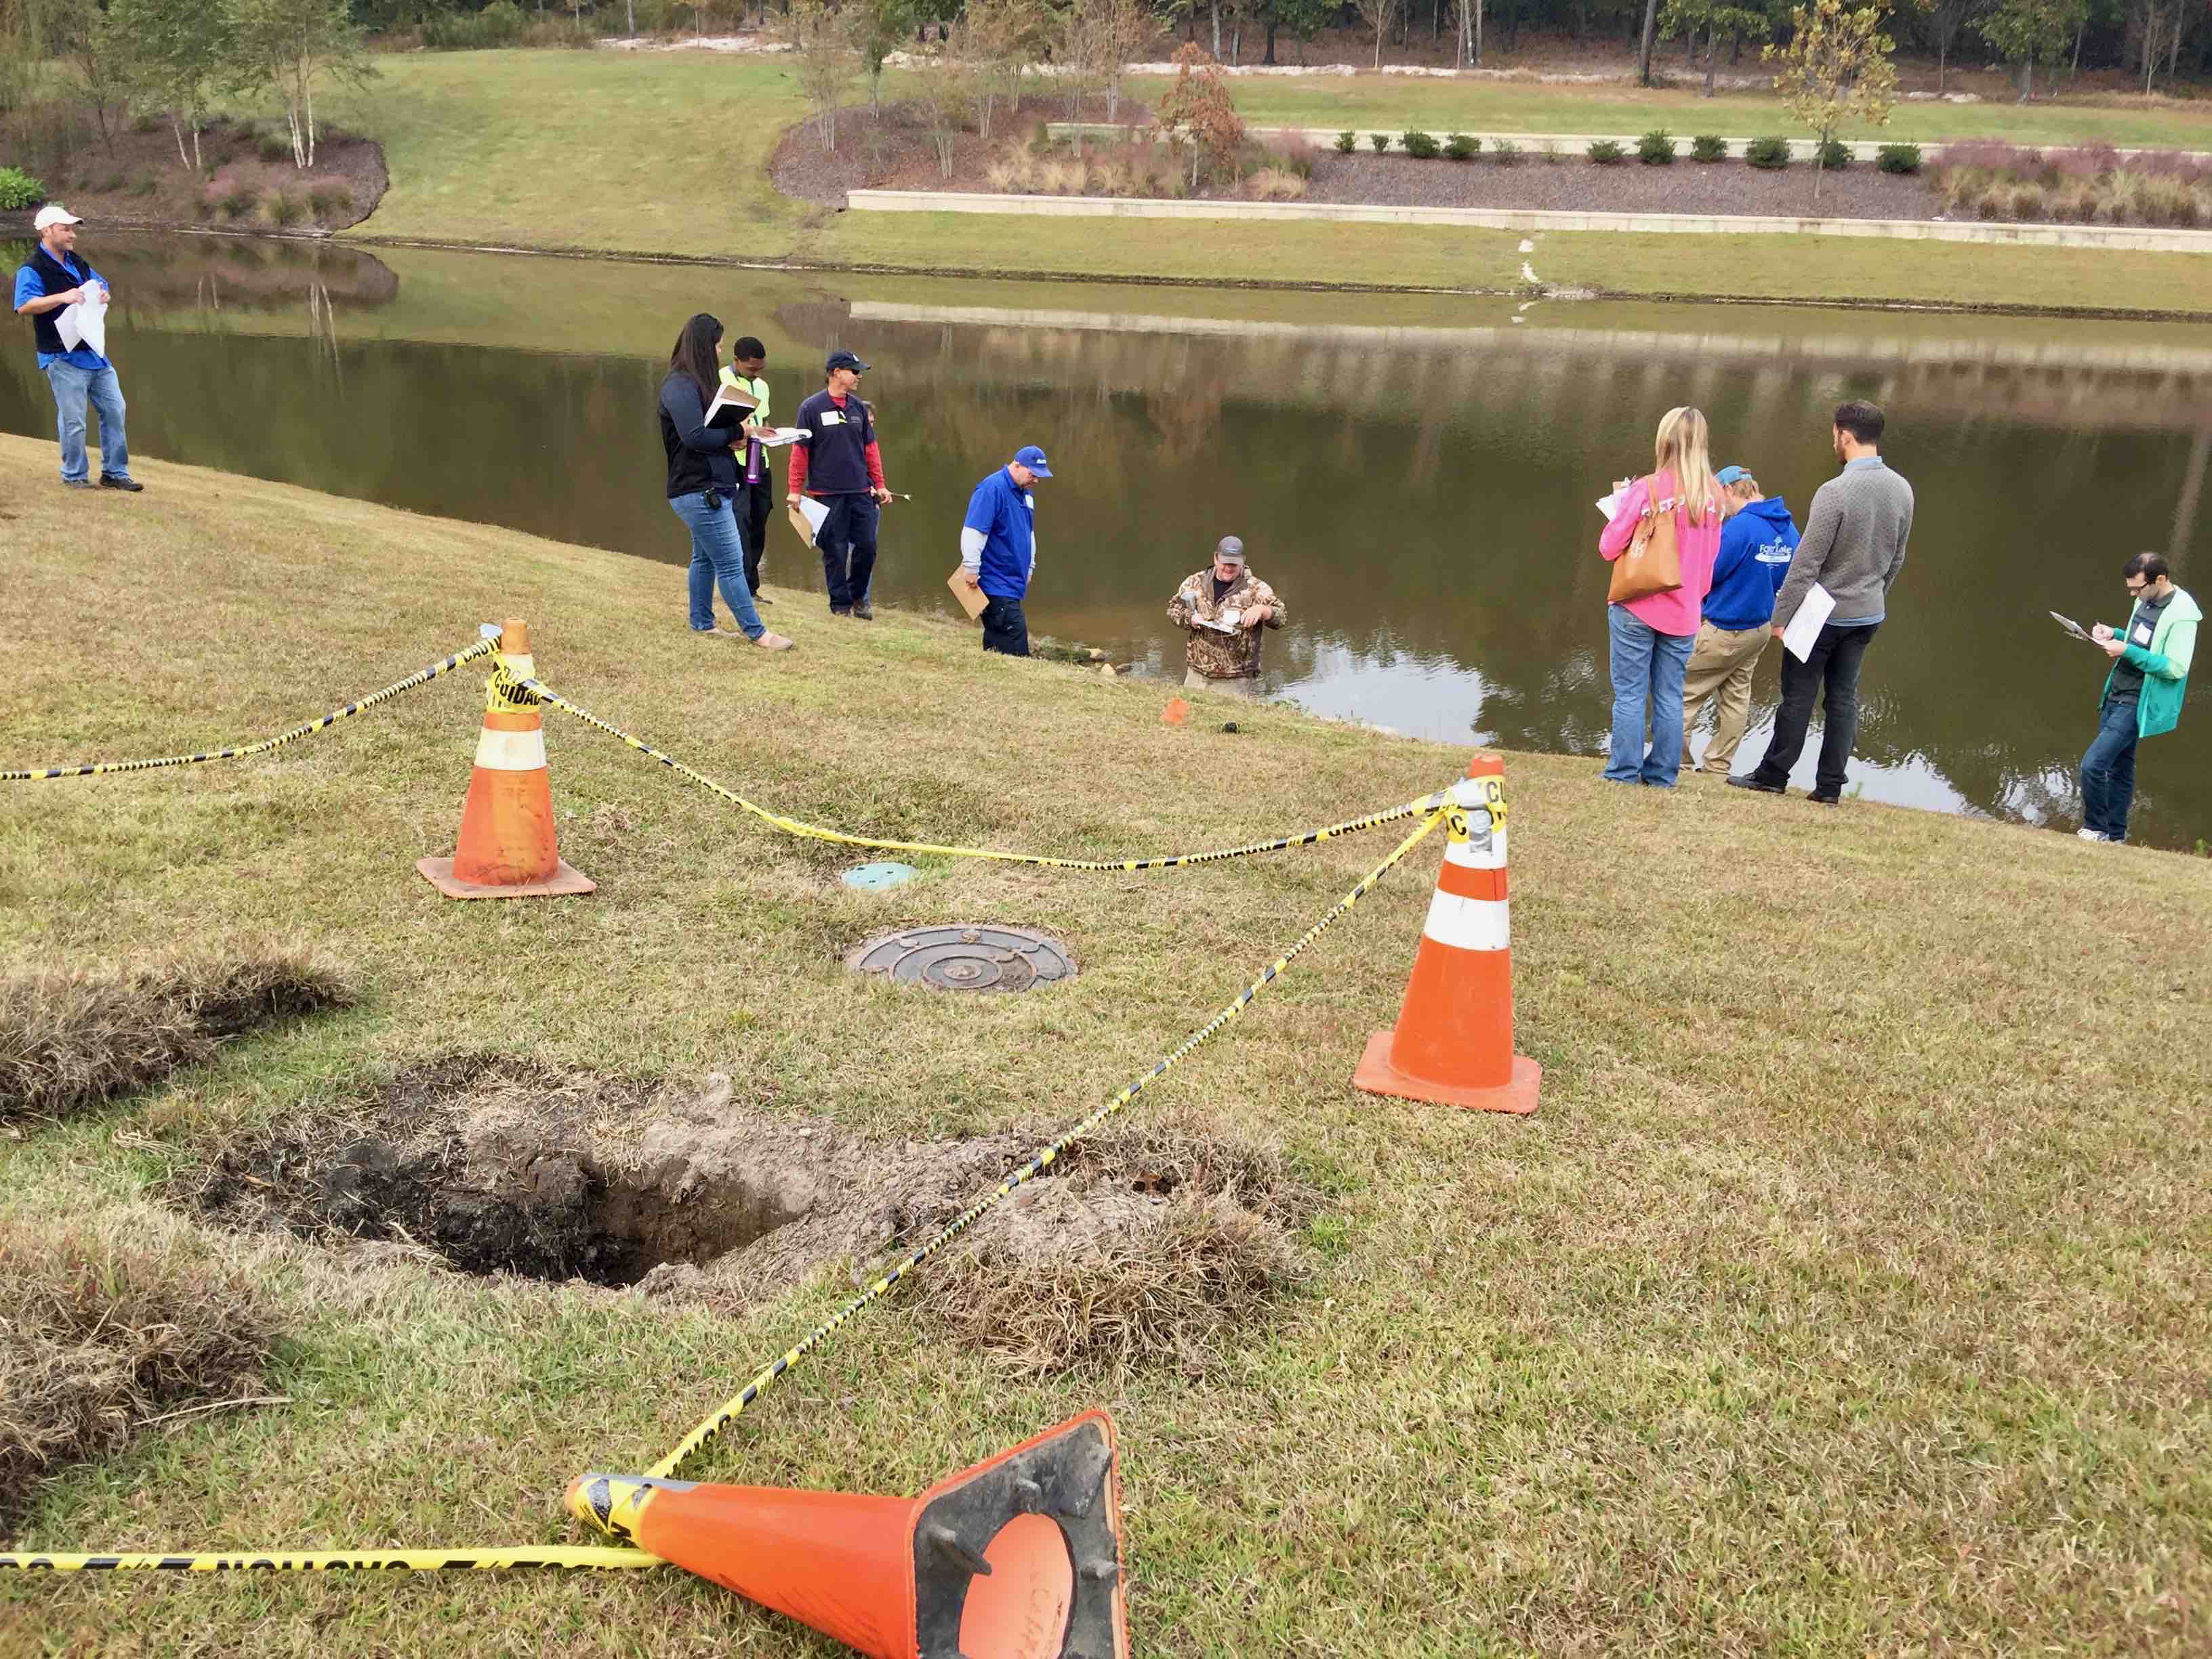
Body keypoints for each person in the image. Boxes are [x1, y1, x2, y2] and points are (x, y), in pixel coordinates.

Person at [1730, 401, 1912, 805]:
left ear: (1844, 435)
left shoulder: (1835, 492)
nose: (1834, 439)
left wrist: (1780, 617)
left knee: (1798, 696)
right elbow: (1896, 557)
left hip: (1822, 615)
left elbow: (1806, 563)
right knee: (1844, 698)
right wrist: (1876, 597)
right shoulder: (1903, 489)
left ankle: (1773, 775)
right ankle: (1830, 787)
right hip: (1868, 612)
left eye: (1835, 433)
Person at [1597, 406, 1723, 787]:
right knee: (1670, 696)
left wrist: (1622, 509)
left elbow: (1608, 547)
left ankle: (1623, 771)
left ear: (1664, 441)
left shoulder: (1647, 489)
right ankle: (1663, 774)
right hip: (1686, 611)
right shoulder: (1715, 496)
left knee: (1631, 694)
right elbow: (1711, 559)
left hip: (1638, 602)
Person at [658, 312, 792, 651]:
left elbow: (708, 434)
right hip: (698, 489)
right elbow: (694, 436)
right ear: (704, 346)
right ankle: (757, 633)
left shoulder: (699, 384)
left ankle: (702, 623)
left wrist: (732, 437)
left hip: (714, 485)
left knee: (704, 559)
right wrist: (738, 431)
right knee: (732, 564)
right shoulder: (679, 385)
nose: (719, 351)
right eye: (717, 345)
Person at [1679, 464, 1800, 777]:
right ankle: (1718, 766)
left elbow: (1707, 575)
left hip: (1723, 628)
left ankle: (1674, 760)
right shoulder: (1788, 529)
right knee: (1735, 698)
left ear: (1730, 491)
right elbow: (1790, 577)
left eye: (1718, 496)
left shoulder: (1738, 528)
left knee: (1680, 691)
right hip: (1759, 629)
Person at [11, 204, 140, 492]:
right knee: (75, 420)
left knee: (116, 410)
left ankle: (115, 473)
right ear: (47, 231)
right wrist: (63, 297)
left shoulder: (77, 262)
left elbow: (99, 282)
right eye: (65, 229)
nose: (72, 235)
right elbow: (24, 306)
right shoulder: (31, 269)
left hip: (94, 352)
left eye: (73, 229)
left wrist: (104, 292)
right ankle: (75, 477)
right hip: (61, 356)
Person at [2077, 552, 2198, 844]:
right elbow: (2139, 640)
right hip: (2117, 690)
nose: (2134, 595)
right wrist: (2114, 633)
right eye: (2131, 589)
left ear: (2160, 579)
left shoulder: (2183, 615)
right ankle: (2116, 836)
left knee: (2092, 765)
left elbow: (2175, 668)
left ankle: (2095, 828)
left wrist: (2127, 651)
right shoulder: (2144, 599)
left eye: (2137, 588)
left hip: (2140, 700)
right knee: (2120, 768)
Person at [787, 348, 893, 620]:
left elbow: (871, 449)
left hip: (861, 491)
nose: (858, 376)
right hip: (826, 493)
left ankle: (858, 596)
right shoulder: (811, 408)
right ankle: (841, 606)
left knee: (867, 546)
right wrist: (794, 490)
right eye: (854, 371)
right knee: (834, 550)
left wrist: (880, 484)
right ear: (836, 373)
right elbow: (800, 451)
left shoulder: (858, 408)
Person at [959, 445, 1051, 657]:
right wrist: (971, 567)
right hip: (995, 582)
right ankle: (1020, 683)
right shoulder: (991, 489)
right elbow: (974, 531)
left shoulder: (1026, 493)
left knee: (997, 639)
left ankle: (991, 673)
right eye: (1033, 474)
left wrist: (1030, 565)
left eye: (1040, 476)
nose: (1036, 480)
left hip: (1013, 581)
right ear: (1017, 465)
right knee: (1015, 637)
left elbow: (1029, 532)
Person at [1167, 537, 1284, 698]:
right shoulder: (1195, 582)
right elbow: (1173, 608)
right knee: (1189, 720)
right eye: (1225, 562)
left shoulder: (1256, 588)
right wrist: (1189, 619)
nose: (1229, 568)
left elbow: (1281, 617)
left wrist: (1262, 610)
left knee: (1227, 723)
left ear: (1242, 561)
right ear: (1215, 558)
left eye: (1234, 564)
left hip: (1235, 680)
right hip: (1196, 674)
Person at [718, 335, 775, 605]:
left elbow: (760, 420)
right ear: (736, 360)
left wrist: (770, 433)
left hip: (760, 460)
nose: (756, 373)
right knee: (738, 522)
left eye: (760, 369)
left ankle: (752, 588)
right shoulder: (719, 379)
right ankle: (737, 587)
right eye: (751, 368)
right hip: (733, 463)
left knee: (759, 521)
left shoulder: (763, 387)